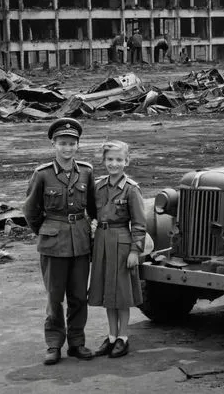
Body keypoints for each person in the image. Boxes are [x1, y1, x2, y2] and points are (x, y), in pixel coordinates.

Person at [23, 118, 97, 365]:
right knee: (54, 297)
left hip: (80, 242)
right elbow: (30, 210)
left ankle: (77, 343)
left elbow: (94, 207)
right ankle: (54, 344)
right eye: (63, 143)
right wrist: (46, 230)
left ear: (78, 145)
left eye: (72, 143)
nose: (67, 148)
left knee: (78, 296)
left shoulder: (86, 171)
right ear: (53, 144)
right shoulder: (42, 174)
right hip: (53, 243)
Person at [88, 141, 146, 358]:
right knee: (106, 292)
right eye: (110, 159)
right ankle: (111, 337)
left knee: (121, 294)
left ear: (126, 161)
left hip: (122, 242)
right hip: (101, 242)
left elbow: (139, 224)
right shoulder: (98, 186)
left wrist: (135, 251)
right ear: (103, 161)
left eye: (119, 160)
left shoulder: (131, 189)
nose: (114, 164)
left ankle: (123, 337)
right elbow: (91, 213)